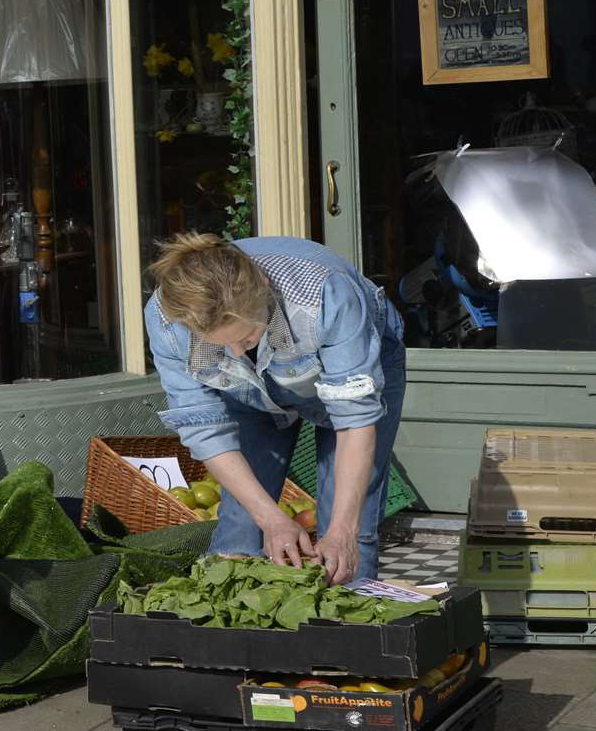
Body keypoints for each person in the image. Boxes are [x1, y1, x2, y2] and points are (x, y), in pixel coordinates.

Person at [144, 233, 407, 584]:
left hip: (349, 367)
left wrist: (342, 534)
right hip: (247, 392)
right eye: (221, 346)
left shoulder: (325, 294)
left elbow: (354, 423)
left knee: (345, 531)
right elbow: (205, 430)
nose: (237, 353)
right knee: (242, 526)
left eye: (246, 338)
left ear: (264, 288)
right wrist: (272, 520)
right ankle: (239, 634)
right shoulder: (168, 320)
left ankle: (348, 627)